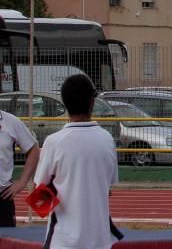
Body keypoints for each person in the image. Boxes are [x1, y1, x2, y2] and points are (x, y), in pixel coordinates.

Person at [34, 74, 120, 249]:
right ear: (92, 102)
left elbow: (39, 192)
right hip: (100, 241)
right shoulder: (107, 139)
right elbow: (108, 185)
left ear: (65, 105)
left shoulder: (54, 142)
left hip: (63, 241)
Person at [0, 105, 39, 227]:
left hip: (2, 198)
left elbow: (33, 150)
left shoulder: (10, 121)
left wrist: (23, 182)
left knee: (5, 242)